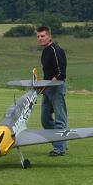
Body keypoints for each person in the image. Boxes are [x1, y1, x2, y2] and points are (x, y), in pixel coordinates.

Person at [36, 26, 68, 156]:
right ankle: (61, 143)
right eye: (38, 36)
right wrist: (42, 86)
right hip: (48, 88)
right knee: (45, 119)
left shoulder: (56, 50)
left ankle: (59, 148)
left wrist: (47, 86)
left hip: (56, 87)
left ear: (49, 36)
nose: (40, 39)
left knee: (60, 119)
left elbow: (60, 73)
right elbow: (47, 73)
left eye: (42, 36)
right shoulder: (45, 51)